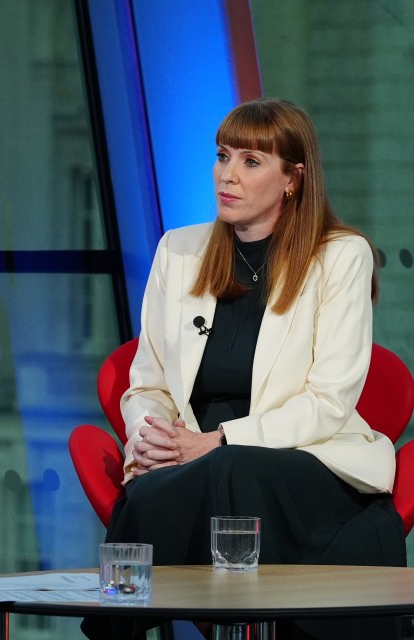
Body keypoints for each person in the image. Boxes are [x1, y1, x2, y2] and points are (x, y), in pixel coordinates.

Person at [81, 98, 406, 640]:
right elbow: (147, 381)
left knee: (230, 470)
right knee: (165, 484)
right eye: (222, 156)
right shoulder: (179, 251)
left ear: (292, 179)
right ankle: (120, 625)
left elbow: (328, 402)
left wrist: (216, 443)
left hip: (307, 458)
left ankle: (128, 623)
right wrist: (152, 436)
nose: (226, 176)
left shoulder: (341, 256)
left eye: (251, 162)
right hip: (191, 459)